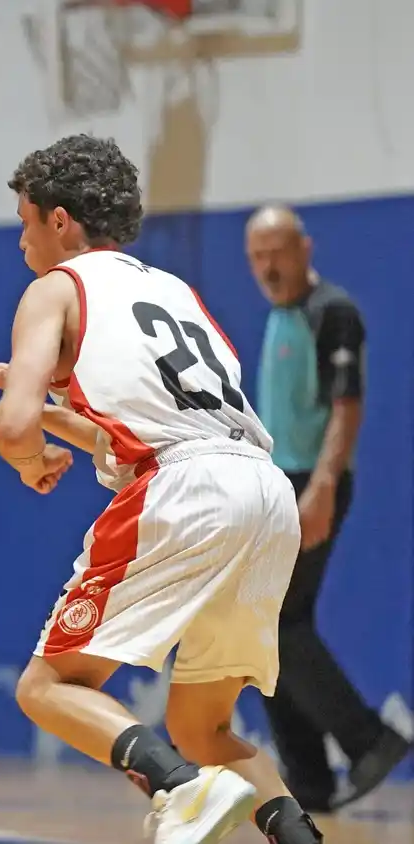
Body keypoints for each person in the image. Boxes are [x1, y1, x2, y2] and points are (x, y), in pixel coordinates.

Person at [0, 135, 324, 843]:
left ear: (58, 221)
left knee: (47, 688)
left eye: (25, 222)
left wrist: (29, 451)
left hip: (185, 492)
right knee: (203, 727)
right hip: (263, 493)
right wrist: (62, 423)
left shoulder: (54, 287)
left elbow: (10, 424)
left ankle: (179, 790)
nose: (21, 241)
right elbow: (152, 431)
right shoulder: (174, 291)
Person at [245, 204, 410, 812]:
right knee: (264, 629)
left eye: (277, 252)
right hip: (279, 486)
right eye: (257, 255)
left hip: (314, 483)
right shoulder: (280, 318)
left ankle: (370, 740)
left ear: (304, 249)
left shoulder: (332, 313)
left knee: (273, 625)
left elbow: (346, 407)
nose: (268, 265)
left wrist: (321, 488)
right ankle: (309, 779)